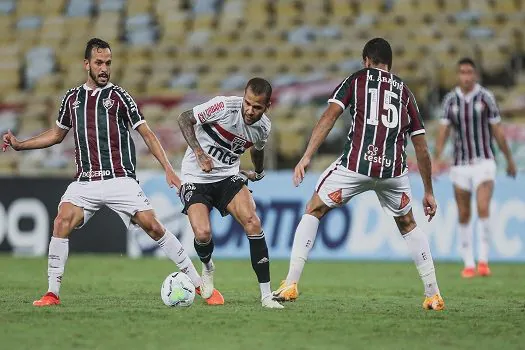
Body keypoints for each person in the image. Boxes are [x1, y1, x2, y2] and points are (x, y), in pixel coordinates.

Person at [1, 38, 218, 306]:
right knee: (61, 222)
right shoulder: (72, 98)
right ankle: (51, 293)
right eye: (99, 63)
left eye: (108, 63)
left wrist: (169, 170)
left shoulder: (120, 97)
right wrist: (21, 145)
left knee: (152, 225)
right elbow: (57, 134)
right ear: (86, 64)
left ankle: (199, 285)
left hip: (120, 179)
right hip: (85, 181)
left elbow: (147, 135)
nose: (104, 68)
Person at [272, 38, 444, 310]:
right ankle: (433, 294)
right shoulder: (405, 91)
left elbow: (329, 117)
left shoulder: (357, 79)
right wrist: (429, 191)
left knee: (314, 208)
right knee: (409, 223)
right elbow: (421, 146)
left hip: (355, 165)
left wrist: (306, 157)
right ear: (390, 63)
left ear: (366, 60)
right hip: (392, 172)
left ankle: (291, 284)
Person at [177, 77, 283, 309]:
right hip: (196, 176)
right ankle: (207, 267)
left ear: (267, 107)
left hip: (227, 176)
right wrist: (199, 153)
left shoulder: (263, 126)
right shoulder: (223, 106)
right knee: (203, 233)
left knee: (253, 222)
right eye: (247, 103)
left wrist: (258, 171)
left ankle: (266, 296)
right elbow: (184, 118)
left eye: (257, 107)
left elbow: (257, 149)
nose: (250, 110)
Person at [434, 57, 516, 278]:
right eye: (462, 72)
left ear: (476, 75)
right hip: (460, 164)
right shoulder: (450, 100)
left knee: (482, 208)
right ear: (458, 75)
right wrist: (436, 157)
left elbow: (498, 130)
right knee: (463, 213)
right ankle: (468, 262)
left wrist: (508, 159)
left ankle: (483, 260)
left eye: (469, 72)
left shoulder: (486, 98)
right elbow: (443, 130)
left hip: (484, 161)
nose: (466, 76)